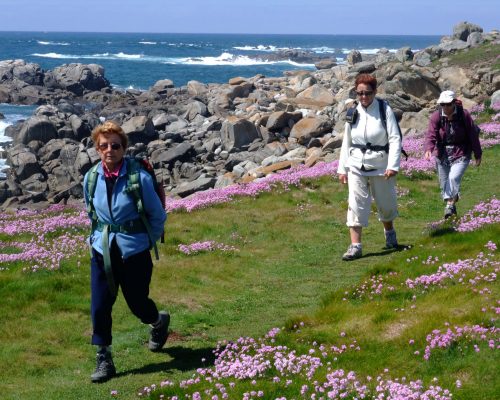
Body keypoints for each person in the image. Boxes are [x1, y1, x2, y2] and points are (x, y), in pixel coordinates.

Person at [83, 121, 168, 383]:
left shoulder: (138, 178)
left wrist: (143, 242)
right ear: (97, 149)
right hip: (102, 251)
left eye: (115, 145)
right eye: (104, 145)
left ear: (123, 148)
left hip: (134, 253)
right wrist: (95, 241)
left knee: (138, 304)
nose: (110, 150)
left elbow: (157, 216)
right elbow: (92, 213)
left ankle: (157, 321)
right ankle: (104, 357)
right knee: (99, 305)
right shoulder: (91, 177)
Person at [337, 73, 402, 261]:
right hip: (356, 164)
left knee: (386, 203)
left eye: (367, 93)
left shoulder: (384, 110)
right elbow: (346, 141)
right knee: (356, 204)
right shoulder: (353, 111)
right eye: (359, 93)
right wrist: (343, 168)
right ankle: (355, 246)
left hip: (381, 165)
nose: (363, 97)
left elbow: (395, 138)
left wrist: (393, 165)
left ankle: (390, 234)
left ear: (375, 91)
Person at [424, 90, 482, 219]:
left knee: (453, 178)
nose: (445, 107)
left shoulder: (464, 115)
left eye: (448, 104)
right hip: (442, 154)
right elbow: (431, 134)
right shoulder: (436, 116)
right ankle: (452, 207)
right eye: (442, 104)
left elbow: (473, 135)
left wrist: (478, 154)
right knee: (444, 185)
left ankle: (449, 206)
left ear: (454, 103)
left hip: (461, 152)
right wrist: (428, 149)